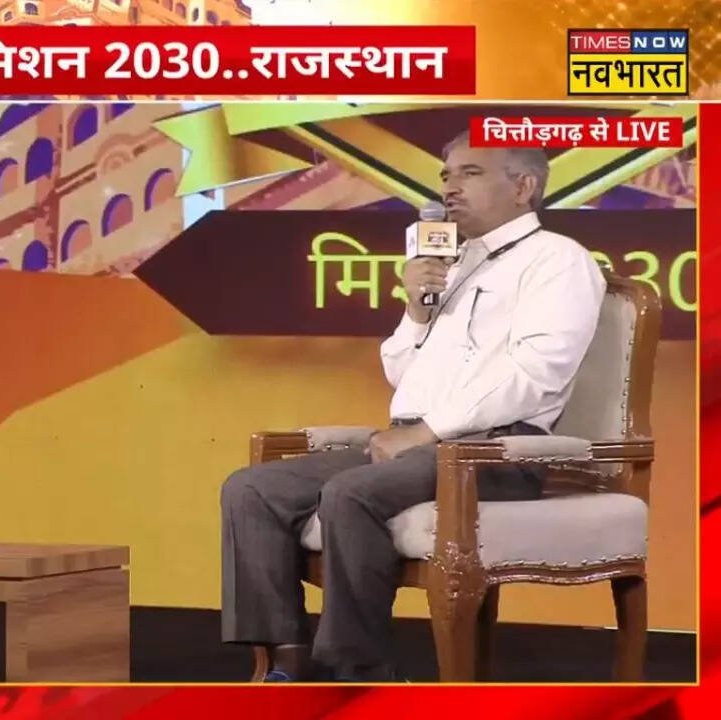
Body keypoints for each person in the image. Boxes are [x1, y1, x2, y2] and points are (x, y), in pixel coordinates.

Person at [220, 130, 606, 681]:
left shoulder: (558, 261)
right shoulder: (449, 260)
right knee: (252, 488)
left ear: (524, 186)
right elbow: (404, 375)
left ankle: (361, 672)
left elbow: (535, 377)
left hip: (497, 453)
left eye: (470, 173)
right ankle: (286, 664)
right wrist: (417, 310)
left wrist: (427, 431)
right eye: (446, 175)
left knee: (352, 492)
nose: (450, 187)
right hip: (416, 443)